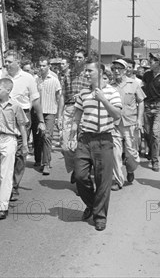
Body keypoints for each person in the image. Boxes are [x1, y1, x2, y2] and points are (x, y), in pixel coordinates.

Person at [69, 61, 122, 232]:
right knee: (80, 175)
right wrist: (72, 134)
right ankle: (92, 204)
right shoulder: (83, 93)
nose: (86, 74)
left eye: (89, 71)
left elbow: (117, 116)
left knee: (103, 181)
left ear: (100, 71)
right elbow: (77, 116)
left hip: (104, 140)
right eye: (85, 71)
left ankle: (100, 216)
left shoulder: (112, 92)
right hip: (85, 139)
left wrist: (103, 100)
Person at [0, 50, 45, 202]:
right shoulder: (1, 77)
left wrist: (41, 120)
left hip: (22, 115)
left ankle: (14, 185)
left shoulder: (28, 78)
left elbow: (35, 101)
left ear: (18, 62)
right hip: (3, 115)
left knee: (18, 152)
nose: (6, 64)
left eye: (9, 61)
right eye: (5, 61)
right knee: (3, 150)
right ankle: (5, 180)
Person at [0, 77, 28, 220]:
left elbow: (22, 126)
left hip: (9, 139)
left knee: (6, 174)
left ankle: (2, 206)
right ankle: (6, 193)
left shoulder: (15, 106)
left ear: (8, 90)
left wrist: (26, 145)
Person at [110, 58, 144, 190]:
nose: (116, 71)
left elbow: (141, 101)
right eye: (114, 69)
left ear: (125, 70)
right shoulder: (110, 86)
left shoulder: (134, 84)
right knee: (115, 153)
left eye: (119, 68)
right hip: (114, 124)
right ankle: (118, 180)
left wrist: (139, 119)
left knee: (131, 153)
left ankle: (130, 169)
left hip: (130, 123)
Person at [60, 49, 90, 183]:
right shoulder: (67, 75)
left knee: (82, 144)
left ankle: (81, 173)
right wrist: (59, 116)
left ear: (85, 59)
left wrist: (83, 95)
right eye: (75, 57)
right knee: (66, 146)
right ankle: (74, 168)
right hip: (70, 109)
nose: (77, 59)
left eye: (79, 57)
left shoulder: (89, 74)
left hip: (85, 110)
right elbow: (62, 96)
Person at [34, 57, 63, 175]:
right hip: (38, 112)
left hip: (50, 112)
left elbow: (59, 97)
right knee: (39, 138)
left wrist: (59, 115)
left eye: (44, 65)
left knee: (47, 136)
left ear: (48, 66)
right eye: (40, 65)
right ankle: (42, 160)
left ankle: (46, 164)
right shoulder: (36, 79)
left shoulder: (54, 79)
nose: (41, 68)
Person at [142, 53, 160, 172]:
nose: (150, 62)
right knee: (147, 133)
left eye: (152, 61)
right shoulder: (146, 75)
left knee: (155, 133)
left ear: (158, 63)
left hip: (159, 106)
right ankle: (152, 151)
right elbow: (142, 88)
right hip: (147, 106)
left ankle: (155, 161)